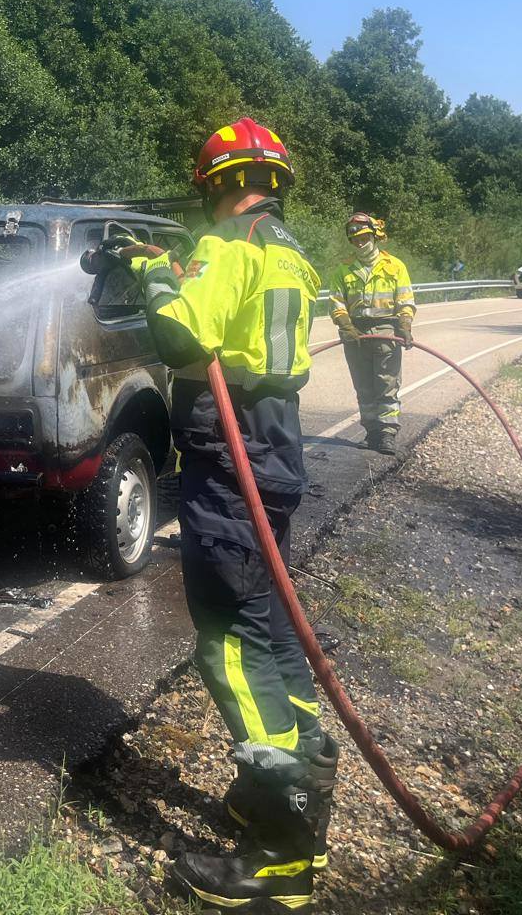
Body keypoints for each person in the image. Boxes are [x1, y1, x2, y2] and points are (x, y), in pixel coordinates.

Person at [107, 117, 336, 911]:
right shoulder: (289, 251)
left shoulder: (225, 247)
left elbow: (182, 336)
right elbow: (235, 325)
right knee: (269, 624)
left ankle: (280, 849)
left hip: (230, 453)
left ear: (214, 183)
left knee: (232, 642)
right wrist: (179, 272)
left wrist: (154, 274)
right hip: (275, 446)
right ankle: (303, 771)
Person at [327, 213, 416, 455]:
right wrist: (347, 327)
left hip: (386, 331)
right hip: (355, 332)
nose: (359, 242)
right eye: (354, 239)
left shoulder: (395, 266)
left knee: (386, 384)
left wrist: (405, 325)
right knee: (364, 386)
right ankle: (372, 432)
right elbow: (336, 302)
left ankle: (387, 433)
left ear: (375, 236)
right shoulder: (343, 270)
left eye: (364, 236)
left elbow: (406, 300)